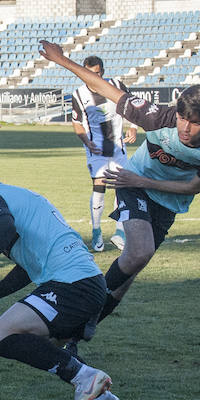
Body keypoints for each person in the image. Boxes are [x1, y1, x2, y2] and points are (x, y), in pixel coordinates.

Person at [40, 40, 200, 327]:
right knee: (139, 252)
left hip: (164, 199)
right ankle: (84, 302)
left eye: (193, 122)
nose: (184, 127)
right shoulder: (158, 118)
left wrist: (143, 180)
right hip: (131, 183)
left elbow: (193, 188)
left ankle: (82, 328)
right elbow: (105, 88)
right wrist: (63, 60)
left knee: (128, 274)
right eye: (182, 118)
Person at [0, 147, 121, 400]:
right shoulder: (9, 196)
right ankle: (103, 399)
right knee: (35, 341)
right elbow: (27, 269)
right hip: (86, 284)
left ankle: (86, 377)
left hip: (71, 285)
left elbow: (4, 230)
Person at [70, 55, 136, 252]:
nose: (93, 77)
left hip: (117, 147)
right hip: (96, 149)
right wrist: (86, 141)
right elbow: (76, 122)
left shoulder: (116, 85)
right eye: (89, 74)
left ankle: (120, 232)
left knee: (123, 187)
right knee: (100, 186)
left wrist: (133, 127)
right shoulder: (79, 95)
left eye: (97, 73)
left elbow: (133, 105)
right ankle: (97, 231)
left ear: (103, 72)